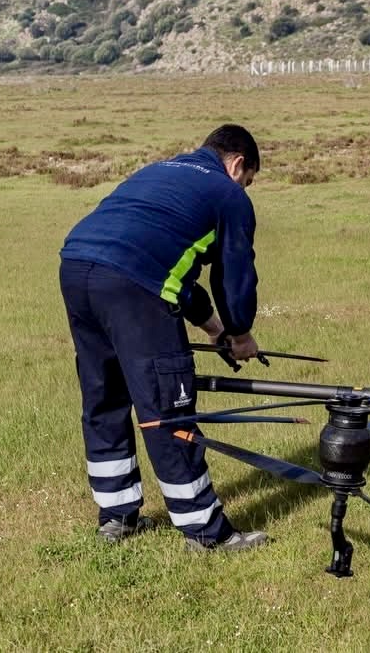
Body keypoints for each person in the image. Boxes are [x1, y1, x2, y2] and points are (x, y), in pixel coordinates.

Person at [59, 124, 269, 550]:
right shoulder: (229, 196)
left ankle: (116, 517)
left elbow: (172, 274)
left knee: (105, 396)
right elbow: (234, 276)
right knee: (166, 410)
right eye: (248, 181)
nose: (245, 188)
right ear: (237, 165)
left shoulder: (158, 172)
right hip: (131, 285)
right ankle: (206, 532)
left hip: (77, 267)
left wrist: (217, 331)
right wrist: (241, 331)